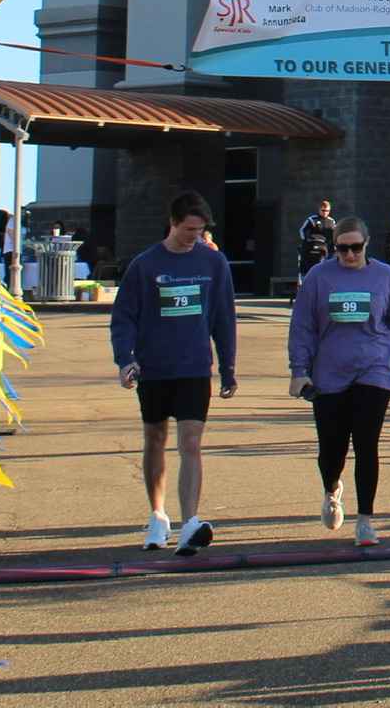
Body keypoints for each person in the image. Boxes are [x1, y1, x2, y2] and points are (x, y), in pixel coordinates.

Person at [287, 216, 390, 546]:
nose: (349, 255)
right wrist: (300, 370)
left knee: (366, 443)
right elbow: (302, 327)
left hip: (375, 367)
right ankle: (332, 489)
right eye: (343, 249)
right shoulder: (318, 277)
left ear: (366, 245)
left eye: (356, 248)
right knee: (332, 447)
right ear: (334, 247)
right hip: (329, 372)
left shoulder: (383, 276)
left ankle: (366, 520)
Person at [108, 192, 238, 555]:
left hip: (194, 367)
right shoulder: (145, 265)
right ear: (173, 223)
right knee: (154, 438)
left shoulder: (214, 264)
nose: (194, 236)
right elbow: (124, 318)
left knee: (191, 442)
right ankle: (157, 515)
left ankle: (190, 521)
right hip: (154, 368)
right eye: (188, 229)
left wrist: (228, 368)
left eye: (200, 230)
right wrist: (126, 359)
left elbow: (224, 319)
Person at [298, 199, 336, 275]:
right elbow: (302, 230)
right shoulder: (312, 219)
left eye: (327, 211)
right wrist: (306, 240)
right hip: (313, 248)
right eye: (323, 210)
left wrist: (335, 245)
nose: (325, 212)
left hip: (328, 249)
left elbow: (335, 234)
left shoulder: (332, 221)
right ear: (319, 209)